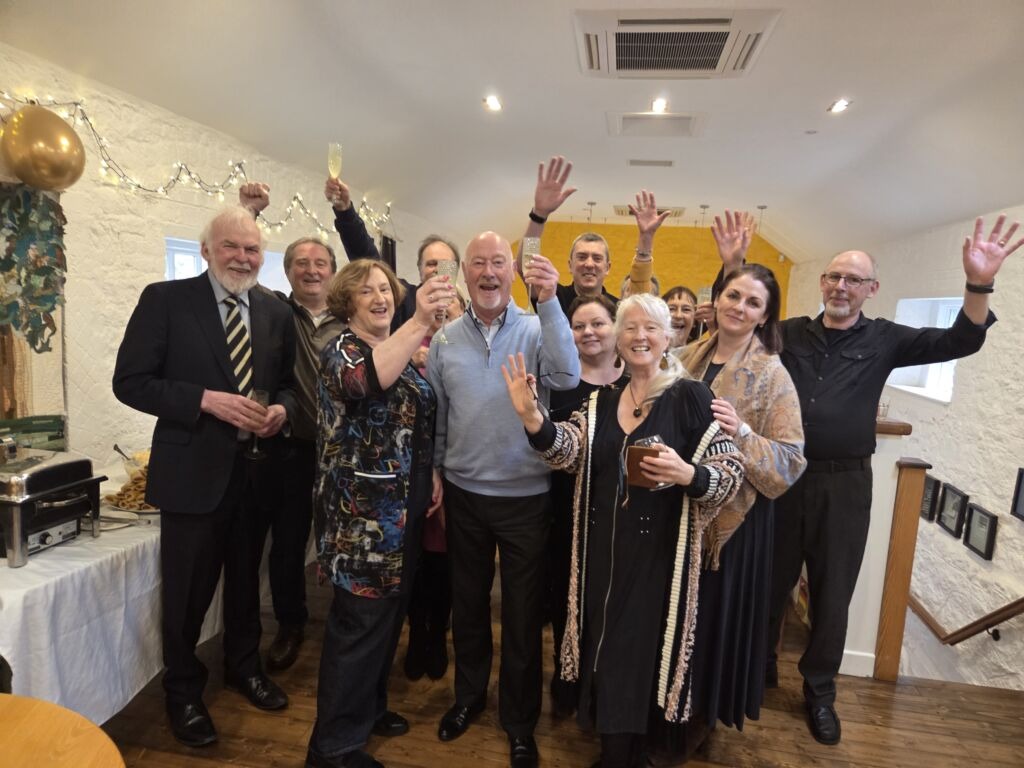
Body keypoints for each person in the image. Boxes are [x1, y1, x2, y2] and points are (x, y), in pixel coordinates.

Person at [712, 211, 1023, 746]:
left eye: (854, 279)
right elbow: (736, 318)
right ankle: (756, 671)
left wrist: (979, 283)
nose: (841, 286)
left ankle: (819, 692)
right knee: (767, 581)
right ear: (822, 282)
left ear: (871, 289)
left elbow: (962, 340)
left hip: (845, 485)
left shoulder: (887, 339)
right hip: (781, 480)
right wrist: (733, 263)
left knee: (833, 592)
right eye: (834, 276)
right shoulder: (788, 333)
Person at [501, 293, 745, 768]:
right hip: (600, 552)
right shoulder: (601, 401)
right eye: (629, 327)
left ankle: (630, 754)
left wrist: (688, 474)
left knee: (641, 652)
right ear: (617, 338)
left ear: (668, 337)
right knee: (605, 646)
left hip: (659, 556)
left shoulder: (691, 396)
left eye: (650, 327)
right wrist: (533, 419)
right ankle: (617, 750)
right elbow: (568, 451)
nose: (639, 336)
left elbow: (730, 469)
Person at [112, 206, 297, 748]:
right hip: (192, 475)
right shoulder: (165, 300)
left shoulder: (275, 310)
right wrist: (202, 400)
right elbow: (130, 381)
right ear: (206, 251)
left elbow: (287, 384)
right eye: (231, 247)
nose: (242, 257)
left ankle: (243, 667)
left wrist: (282, 410)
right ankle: (183, 690)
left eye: (252, 249)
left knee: (245, 583)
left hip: (256, 472)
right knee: (188, 594)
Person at [427, 230, 579, 768]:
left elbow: (568, 375)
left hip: (526, 497)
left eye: (498, 262)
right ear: (463, 272)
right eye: (478, 263)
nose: (488, 272)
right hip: (464, 494)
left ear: (513, 271)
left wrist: (551, 300)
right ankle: (468, 698)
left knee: (520, 617)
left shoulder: (537, 328)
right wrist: (436, 470)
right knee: (467, 606)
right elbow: (440, 414)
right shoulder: (444, 340)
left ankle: (519, 722)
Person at [306, 259, 454, 768]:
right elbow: (362, 383)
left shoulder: (397, 349)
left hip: (403, 513)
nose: (380, 298)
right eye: (366, 291)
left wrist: (431, 472)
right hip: (361, 521)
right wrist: (421, 320)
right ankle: (332, 748)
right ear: (346, 302)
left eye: (386, 289)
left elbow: (412, 419)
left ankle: (366, 711)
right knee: (358, 629)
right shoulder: (342, 350)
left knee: (386, 623)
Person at [658, 264, 805, 759]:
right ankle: (663, 708)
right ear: (717, 298)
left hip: (730, 530)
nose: (740, 307)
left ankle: (695, 721)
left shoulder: (772, 373)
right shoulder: (686, 357)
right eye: (733, 295)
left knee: (708, 627)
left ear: (765, 316)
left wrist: (741, 431)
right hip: (676, 509)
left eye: (753, 303)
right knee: (672, 619)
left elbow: (790, 460)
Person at [238, 182, 346, 670]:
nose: (311, 270)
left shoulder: (351, 318)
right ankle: (291, 624)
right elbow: (239, 274)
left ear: (333, 272)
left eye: (320, 263)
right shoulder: (276, 313)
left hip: (345, 453)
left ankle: (349, 622)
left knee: (343, 540)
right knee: (287, 544)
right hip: (292, 450)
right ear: (287, 272)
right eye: (301, 263)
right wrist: (249, 214)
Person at [546, 295, 629, 718]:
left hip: (621, 509)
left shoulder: (635, 378)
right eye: (578, 326)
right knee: (566, 594)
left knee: (611, 598)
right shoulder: (560, 381)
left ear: (616, 327)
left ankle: (605, 685)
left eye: (597, 323)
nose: (588, 332)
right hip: (567, 506)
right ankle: (567, 678)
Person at [403, 291, 465, 682]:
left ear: (463, 309)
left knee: (444, 559)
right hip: (411, 468)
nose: (443, 308)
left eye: (451, 302)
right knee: (413, 557)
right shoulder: (406, 347)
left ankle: (439, 633)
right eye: (436, 302)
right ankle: (416, 634)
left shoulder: (471, 350)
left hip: (454, 468)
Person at [324, 175, 459, 331]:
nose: (437, 269)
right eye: (431, 264)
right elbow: (367, 257)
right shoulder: (402, 297)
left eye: (445, 265)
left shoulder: (467, 311)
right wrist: (345, 211)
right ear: (420, 269)